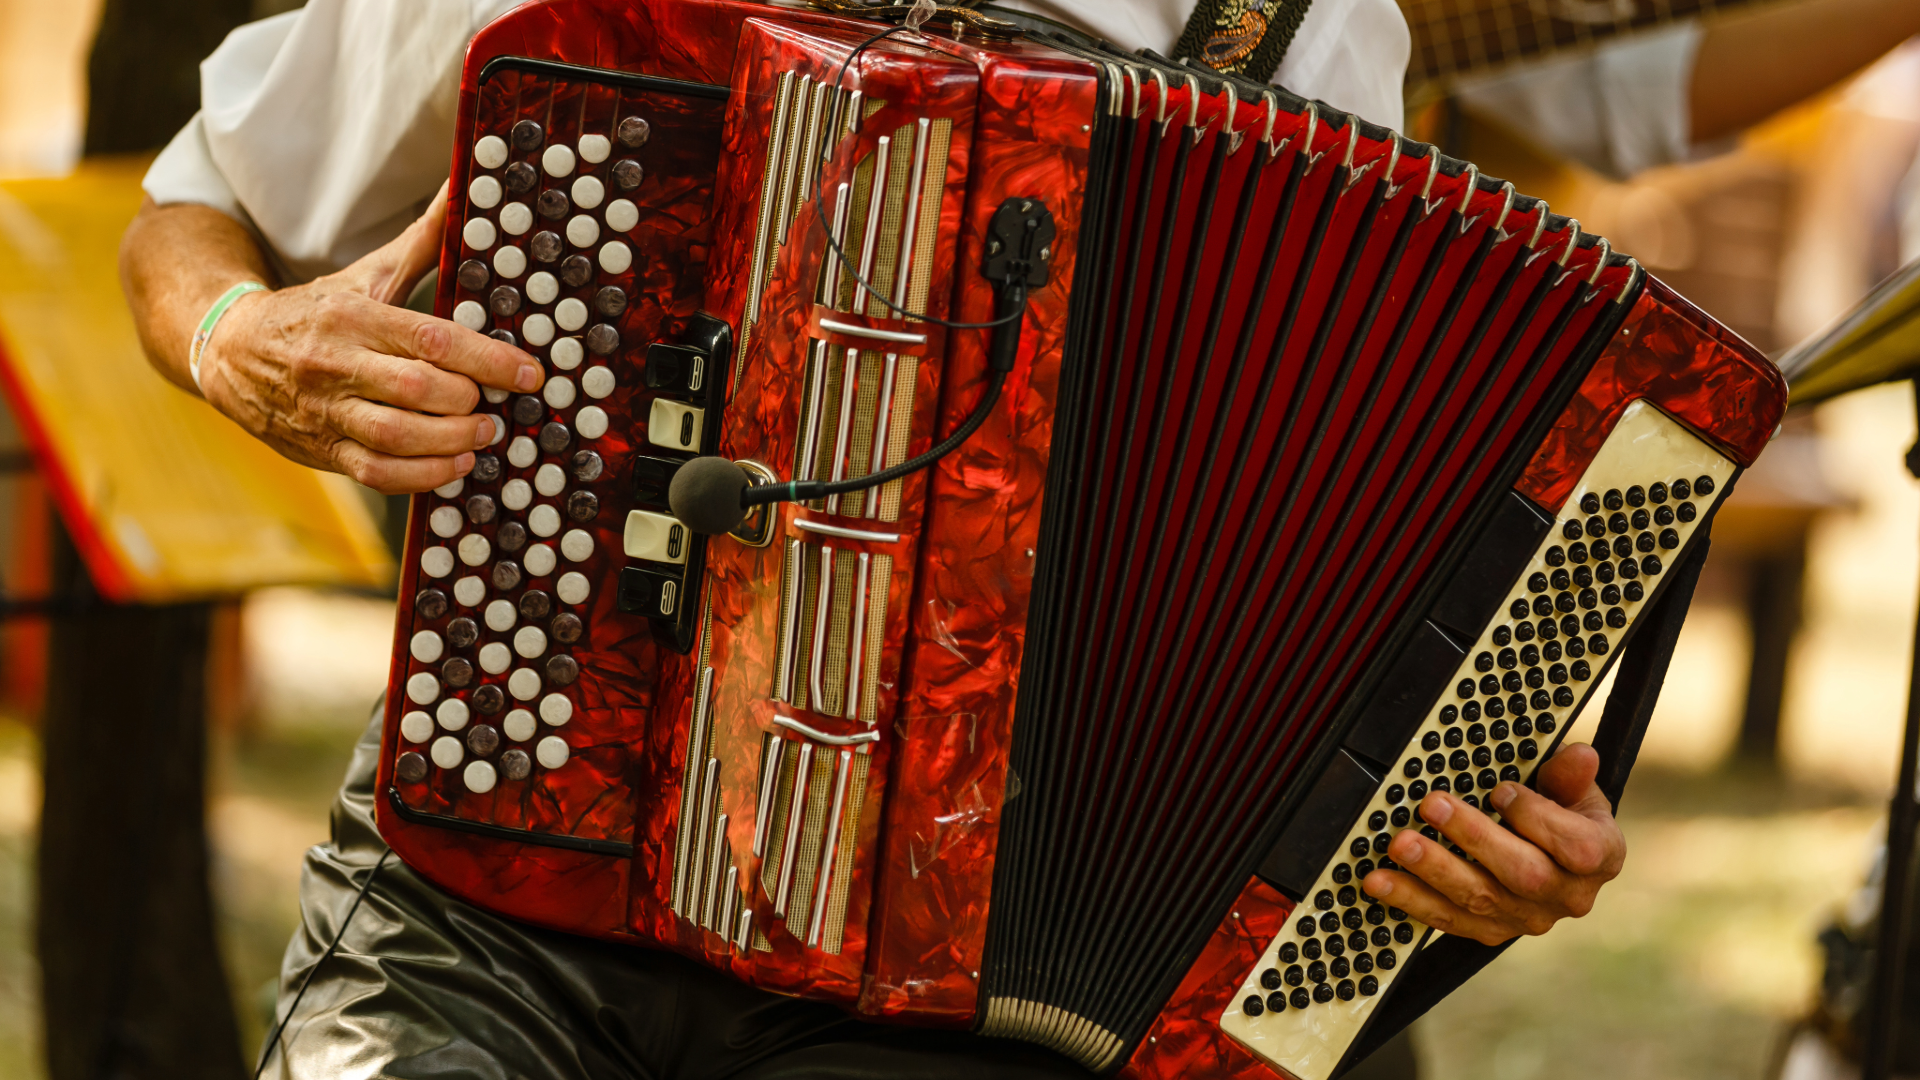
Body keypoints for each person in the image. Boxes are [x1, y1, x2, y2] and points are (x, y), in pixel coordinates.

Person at [116, 0, 1919, 1075]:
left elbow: (1345, 514)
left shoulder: (1304, 25)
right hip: (496, 883)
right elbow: (206, 193)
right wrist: (231, 337)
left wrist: (1477, 819)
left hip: (955, 994)